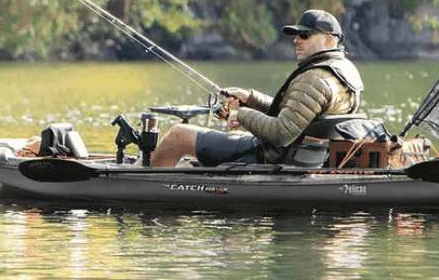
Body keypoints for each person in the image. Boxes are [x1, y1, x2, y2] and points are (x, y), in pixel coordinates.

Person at [149, 9, 363, 168]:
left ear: (328, 39)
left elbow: (282, 133)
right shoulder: (343, 72)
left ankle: (140, 184)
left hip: (267, 155)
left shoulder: (314, 80)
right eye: (296, 34)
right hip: (298, 155)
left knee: (178, 135)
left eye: (305, 35)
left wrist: (241, 114)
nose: (296, 39)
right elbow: (298, 115)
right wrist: (250, 98)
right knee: (187, 159)